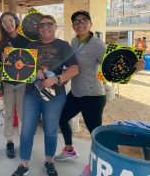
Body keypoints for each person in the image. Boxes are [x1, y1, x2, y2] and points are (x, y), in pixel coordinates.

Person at [11, 15, 79, 176]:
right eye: (42, 25)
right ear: (38, 29)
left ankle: (49, 161)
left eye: (49, 24)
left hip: (55, 95)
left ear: (55, 27)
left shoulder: (63, 45)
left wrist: (56, 79)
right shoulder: (31, 45)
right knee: (27, 130)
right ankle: (24, 164)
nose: (45, 27)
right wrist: (9, 60)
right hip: (31, 94)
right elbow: (20, 65)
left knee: (50, 130)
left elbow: (74, 69)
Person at [55, 10, 107, 176]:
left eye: (84, 20)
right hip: (76, 92)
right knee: (62, 118)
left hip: (93, 95)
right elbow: (71, 65)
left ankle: (95, 165)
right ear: (73, 26)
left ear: (90, 24)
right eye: (76, 21)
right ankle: (69, 149)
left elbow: (110, 65)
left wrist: (133, 66)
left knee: (94, 133)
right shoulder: (74, 41)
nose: (80, 24)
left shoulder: (98, 44)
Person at [0, 12, 30, 159]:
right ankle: (9, 141)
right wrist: (1, 59)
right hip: (8, 83)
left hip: (22, 83)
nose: (8, 24)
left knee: (23, 113)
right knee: (8, 113)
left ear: (16, 21)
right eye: (5, 22)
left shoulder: (26, 41)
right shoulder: (2, 43)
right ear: (2, 26)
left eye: (10, 20)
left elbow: (31, 62)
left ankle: (24, 141)